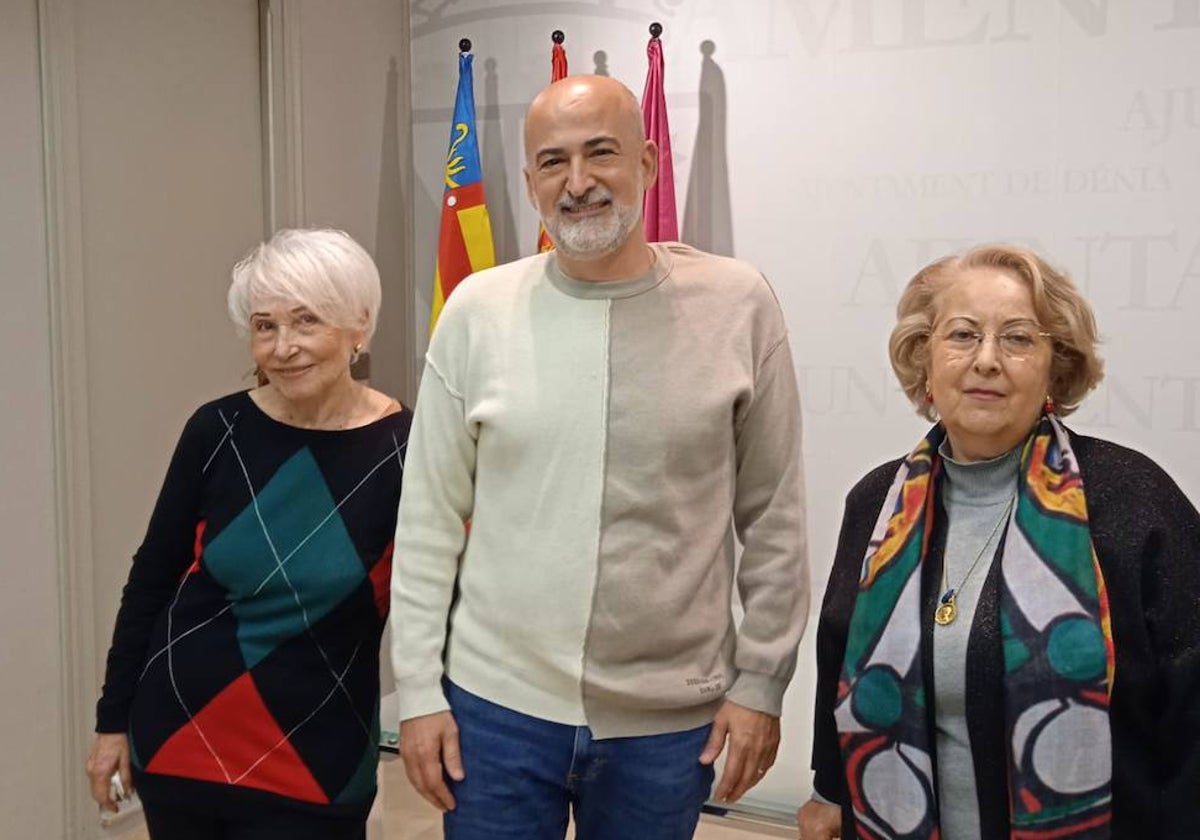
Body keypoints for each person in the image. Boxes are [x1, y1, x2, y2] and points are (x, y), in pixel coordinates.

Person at [390, 74, 809, 839]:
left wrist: (762, 684)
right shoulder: (477, 313)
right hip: (496, 712)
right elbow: (427, 520)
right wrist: (417, 690)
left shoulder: (738, 306)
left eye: (601, 153)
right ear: (528, 183)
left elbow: (775, 519)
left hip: (670, 722)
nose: (578, 183)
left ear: (647, 163)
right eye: (553, 162)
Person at [797, 244, 1200, 840]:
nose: (987, 360)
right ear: (925, 360)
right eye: (962, 335)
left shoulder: (1133, 498)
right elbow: (839, 659)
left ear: (1054, 370)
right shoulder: (876, 503)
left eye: (1017, 339)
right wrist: (830, 788)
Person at [85, 228, 411, 839]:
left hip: (320, 757)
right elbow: (151, 583)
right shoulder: (216, 431)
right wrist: (113, 723)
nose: (283, 347)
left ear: (359, 324)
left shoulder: (407, 447)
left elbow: (437, 605)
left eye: (306, 321)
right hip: (184, 737)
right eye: (265, 326)